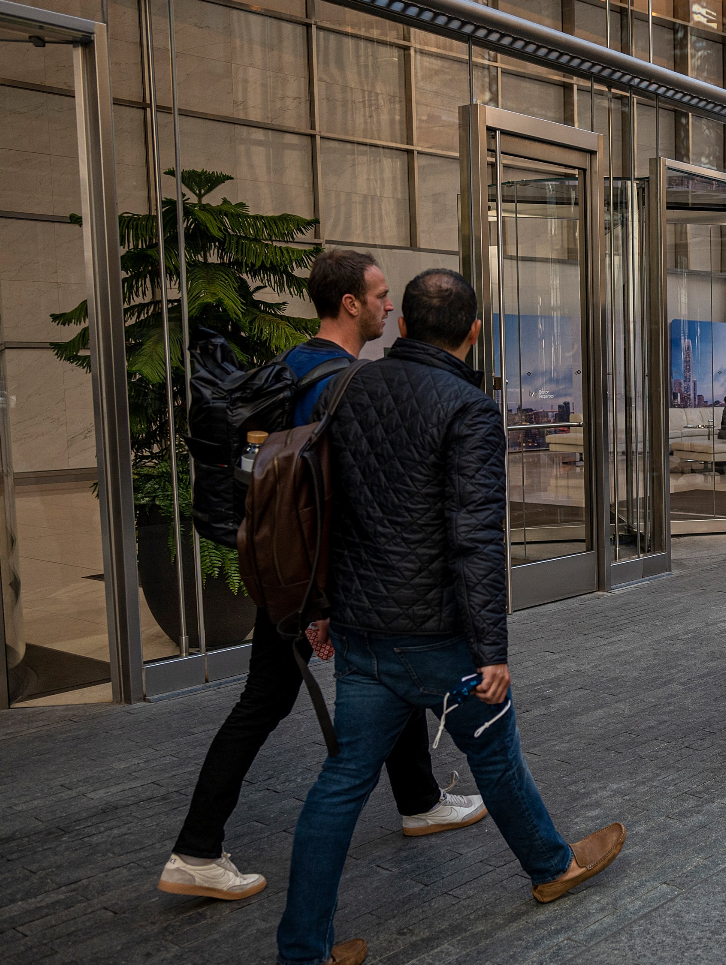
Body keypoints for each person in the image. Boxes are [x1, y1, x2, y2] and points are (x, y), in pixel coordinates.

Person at [275, 269, 624, 965]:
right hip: (439, 636)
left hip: (364, 629)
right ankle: (552, 867)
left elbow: (326, 509)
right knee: (494, 754)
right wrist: (492, 648)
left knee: (340, 783)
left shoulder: (349, 386)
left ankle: (303, 951)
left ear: (403, 326)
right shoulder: (469, 408)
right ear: (475, 331)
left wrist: (322, 607)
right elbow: (475, 536)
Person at [158, 250, 484, 904]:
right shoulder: (343, 382)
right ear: (350, 304)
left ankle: (420, 799)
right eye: (380, 295)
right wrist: (324, 601)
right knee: (267, 701)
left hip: (288, 566)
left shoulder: (294, 365)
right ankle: (195, 849)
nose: (389, 305)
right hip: (321, 577)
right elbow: (333, 496)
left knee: (385, 676)